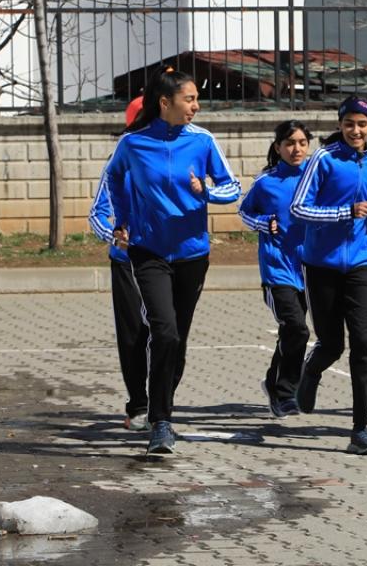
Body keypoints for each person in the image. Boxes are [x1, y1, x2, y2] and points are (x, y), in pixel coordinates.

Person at [104, 67, 242, 455]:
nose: (196, 106)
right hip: (148, 252)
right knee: (163, 331)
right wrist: (124, 218)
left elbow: (233, 187)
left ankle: (160, 399)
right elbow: (115, 179)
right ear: (166, 103)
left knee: (176, 340)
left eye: (197, 99)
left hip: (192, 254)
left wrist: (208, 193)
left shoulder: (202, 141)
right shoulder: (133, 144)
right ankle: (161, 421)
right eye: (190, 99)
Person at [290, 96, 367, 455]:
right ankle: (310, 371)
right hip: (322, 264)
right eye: (349, 124)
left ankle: (360, 430)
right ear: (340, 125)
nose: (356, 130)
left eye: (362, 124)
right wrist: (344, 212)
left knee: (362, 344)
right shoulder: (323, 159)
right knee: (332, 344)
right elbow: (299, 207)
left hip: (362, 263)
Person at [238, 120, 314, 418]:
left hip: (309, 268)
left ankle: (273, 382)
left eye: (302, 143)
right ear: (278, 147)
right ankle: (285, 394)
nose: (296, 149)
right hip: (277, 269)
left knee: (293, 334)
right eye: (290, 143)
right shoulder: (266, 181)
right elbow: (245, 210)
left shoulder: (315, 177)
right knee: (296, 328)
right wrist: (262, 223)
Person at [88, 107, 148, 432]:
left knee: (165, 334)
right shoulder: (118, 165)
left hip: (167, 261)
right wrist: (114, 233)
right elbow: (97, 213)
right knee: (134, 335)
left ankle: (160, 403)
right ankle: (139, 403)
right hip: (127, 263)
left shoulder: (175, 159)